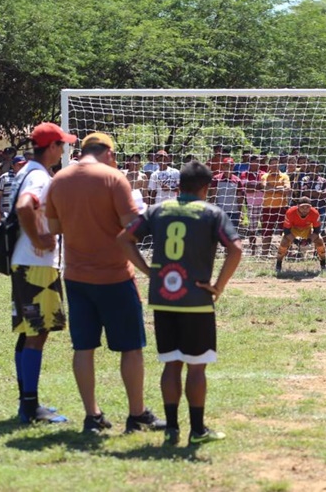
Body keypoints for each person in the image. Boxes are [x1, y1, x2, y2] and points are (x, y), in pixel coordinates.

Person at [46, 130, 165, 434]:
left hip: (75, 277)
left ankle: (92, 416)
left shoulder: (59, 180)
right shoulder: (114, 179)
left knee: (83, 347)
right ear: (109, 153)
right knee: (131, 348)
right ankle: (137, 414)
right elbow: (132, 229)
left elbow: (55, 228)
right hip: (114, 276)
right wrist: (148, 270)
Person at [118, 160, 243, 445]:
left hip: (164, 298)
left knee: (171, 364)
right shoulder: (212, 213)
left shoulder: (157, 210)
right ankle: (197, 430)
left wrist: (149, 271)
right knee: (197, 366)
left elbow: (124, 239)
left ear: (178, 185)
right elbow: (235, 248)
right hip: (197, 299)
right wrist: (218, 286)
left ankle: (172, 427)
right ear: (206, 188)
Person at [8, 124, 71, 424]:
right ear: (52, 147)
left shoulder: (26, 171)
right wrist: (37, 238)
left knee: (28, 332)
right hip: (36, 266)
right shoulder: (38, 176)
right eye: (62, 145)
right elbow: (24, 206)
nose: (64, 150)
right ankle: (30, 407)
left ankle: (27, 402)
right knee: (37, 333)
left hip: (25, 264)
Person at [275, 197, 326, 274]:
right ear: (297, 206)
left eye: (307, 207)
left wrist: (309, 241)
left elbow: (317, 231)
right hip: (293, 229)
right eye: (302, 207)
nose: (305, 209)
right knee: (284, 242)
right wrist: (296, 241)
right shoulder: (290, 212)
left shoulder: (315, 213)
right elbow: (287, 231)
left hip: (307, 228)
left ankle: (324, 265)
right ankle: (278, 266)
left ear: (311, 207)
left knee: (319, 240)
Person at [260, 156, 291, 258]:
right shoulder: (265, 176)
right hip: (268, 207)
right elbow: (265, 189)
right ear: (269, 165)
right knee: (267, 231)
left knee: (285, 231)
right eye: (272, 164)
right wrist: (279, 188)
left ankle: (285, 253)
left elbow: (287, 189)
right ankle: (265, 253)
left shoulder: (285, 176)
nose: (274, 166)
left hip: (282, 207)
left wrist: (272, 188)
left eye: (276, 164)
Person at [209, 158, 243, 230]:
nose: (229, 167)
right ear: (222, 166)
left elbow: (240, 198)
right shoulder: (216, 179)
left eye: (231, 165)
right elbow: (213, 197)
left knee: (232, 235)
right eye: (226, 165)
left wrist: (240, 212)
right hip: (220, 211)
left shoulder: (237, 180)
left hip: (234, 212)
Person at [240, 155, 264, 255]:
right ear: (250, 162)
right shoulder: (244, 174)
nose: (258, 163)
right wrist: (258, 186)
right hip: (252, 204)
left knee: (265, 228)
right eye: (256, 161)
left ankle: (264, 251)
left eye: (259, 161)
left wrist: (254, 186)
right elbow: (246, 188)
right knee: (252, 229)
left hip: (265, 204)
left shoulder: (263, 173)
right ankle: (253, 251)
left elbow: (265, 187)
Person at [0, 156, 26, 226]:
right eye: (19, 165)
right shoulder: (4, 177)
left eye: (23, 165)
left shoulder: (27, 178)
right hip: (5, 213)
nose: (22, 167)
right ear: (13, 166)